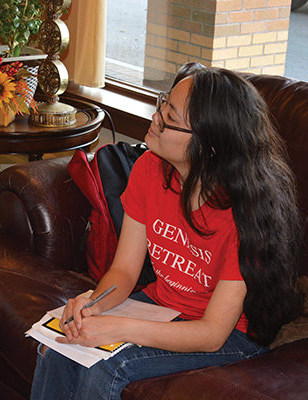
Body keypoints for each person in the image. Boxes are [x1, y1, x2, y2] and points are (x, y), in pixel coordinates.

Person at [30, 66, 304, 399]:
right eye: (163, 104)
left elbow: (212, 333)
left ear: (208, 146)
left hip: (231, 335)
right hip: (161, 306)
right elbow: (125, 270)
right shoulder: (148, 168)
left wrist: (117, 328)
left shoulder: (244, 214)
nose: (155, 117)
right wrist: (95, 304)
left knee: (107, 367)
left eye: (169, 115)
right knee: (60, 348)